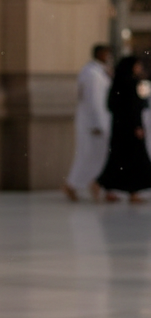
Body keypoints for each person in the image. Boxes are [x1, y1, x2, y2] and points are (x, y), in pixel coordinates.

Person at [97, 55, 151, 202]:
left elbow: (111, 106)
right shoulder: (131, 83)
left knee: (118, 160)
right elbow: (135, 107)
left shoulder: (118, 82)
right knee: (135, 161)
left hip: (120, 128)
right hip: (131, 130)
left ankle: (107, 188)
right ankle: (132, 192)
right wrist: (137, 126)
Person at [63, 44, 113, 201]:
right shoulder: (92, 74)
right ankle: (72, 184)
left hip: (94, 121)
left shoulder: (96, 72)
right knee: (88, 155)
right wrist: (98, 124)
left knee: (98, 155)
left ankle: (98, 185)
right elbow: (94, 101)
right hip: (92, 123)